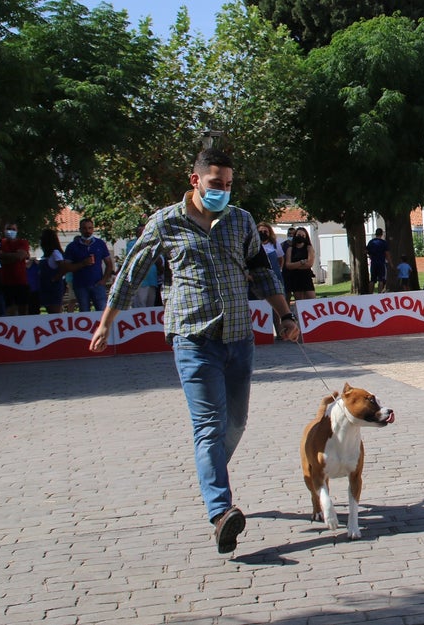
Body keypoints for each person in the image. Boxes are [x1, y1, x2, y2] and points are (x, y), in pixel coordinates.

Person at [88, 148, 300, 555]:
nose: (223, 190)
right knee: (207, 426)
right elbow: (131, 273)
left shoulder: (239, 221)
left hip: (239, 337)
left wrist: (285, 316)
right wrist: (106, 322)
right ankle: (221, 512)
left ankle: (211, 472)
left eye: (229, 184)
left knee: (234, 422)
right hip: (193, 340)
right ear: (195, 180)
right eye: (215, 183)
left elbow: (262, 271)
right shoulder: (166, 222)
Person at [63, 218, 115, 312]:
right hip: (80, 285)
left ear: (93, 229)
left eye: (90, 228)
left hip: (98, 284)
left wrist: (104, 280)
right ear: (80, 229)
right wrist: (82, 264)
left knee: (102, 311)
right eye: (84, 228)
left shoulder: (100, 244)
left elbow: (109, 264)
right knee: (84, 312)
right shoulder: (72, 246)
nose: (87, 231)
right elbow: (67, 267)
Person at [0, 222, 31, 315]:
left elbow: (20, 256)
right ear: (4, 230)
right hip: (6, 282)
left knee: (23, 310)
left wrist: (5, 256)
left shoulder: (22, 242)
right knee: (9, 310)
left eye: (13, 229)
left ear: (17, 231)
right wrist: (15, 256)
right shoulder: (1, 243)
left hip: (21, 281)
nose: (10, 231)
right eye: (8, 229)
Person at [126, 224, 163, 308]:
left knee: (151, 307)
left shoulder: (154, 243)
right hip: (140, 282)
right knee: (140, 306)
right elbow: (135, 258)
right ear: (138, 233)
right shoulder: (132, 244)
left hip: (152, 281)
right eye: (143, 231)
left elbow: (159, 260)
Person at [38, 229, 67, 314]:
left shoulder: (55, 253)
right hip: (44, 287)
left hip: (54, 288)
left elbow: (63, 268)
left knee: (55, 312)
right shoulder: (45, 255)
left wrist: (55, 279)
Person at [284, 227, 316, 301]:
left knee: (312, 299)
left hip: (306, 277)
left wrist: (295, 265)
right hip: (295, 277)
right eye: (298, 235)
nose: (300, 237)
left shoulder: (309, 248)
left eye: (303, 235)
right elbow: (288, 265)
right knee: (299, 301)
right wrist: (301, 262)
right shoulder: (290, 249)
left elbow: (309, 264)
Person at [366, 228, 390, 293]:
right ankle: (380, 294)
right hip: (381, 263)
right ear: (382, 234)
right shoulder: (383, 243)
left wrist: (370, 256)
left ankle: (370, 294)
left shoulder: (371, 242)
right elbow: (387, 253)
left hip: (373, 263)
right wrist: (390, 262)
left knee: (372, 280)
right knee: (381, 280)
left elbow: (367, 251)